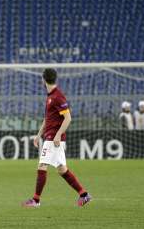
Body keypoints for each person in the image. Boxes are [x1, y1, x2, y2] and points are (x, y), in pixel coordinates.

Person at [22, 68, 92, 208]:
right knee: (61, 169)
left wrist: (59, 134)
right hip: (50, 136)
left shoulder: (57, 96)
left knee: (42, 165)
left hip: (54, 138)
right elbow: (47, 119)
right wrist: (38, 135)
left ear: (43, 79)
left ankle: (36, 200)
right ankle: (84, 195)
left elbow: (68, 118)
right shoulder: (50, 96)